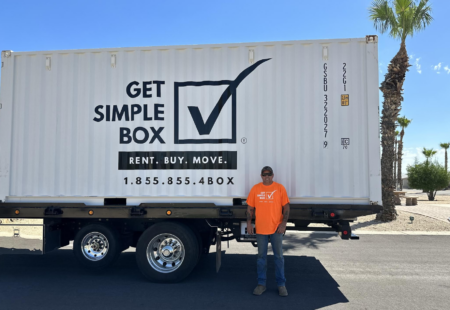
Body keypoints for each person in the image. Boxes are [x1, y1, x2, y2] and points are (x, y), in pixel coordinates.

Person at [246, 166, 290, 297]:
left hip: (276, 229)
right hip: (261, 229)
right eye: (264, 175)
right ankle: (261, 284)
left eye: (269, 175)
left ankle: (281, 285)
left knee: (279, 257)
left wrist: (283, 223)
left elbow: (286, 206)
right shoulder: (256, 189)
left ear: (273, 175)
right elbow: (249, 208)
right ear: (261, 176)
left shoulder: (279, 188)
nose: (267, 177)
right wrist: (249, 223)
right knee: (261, 258)